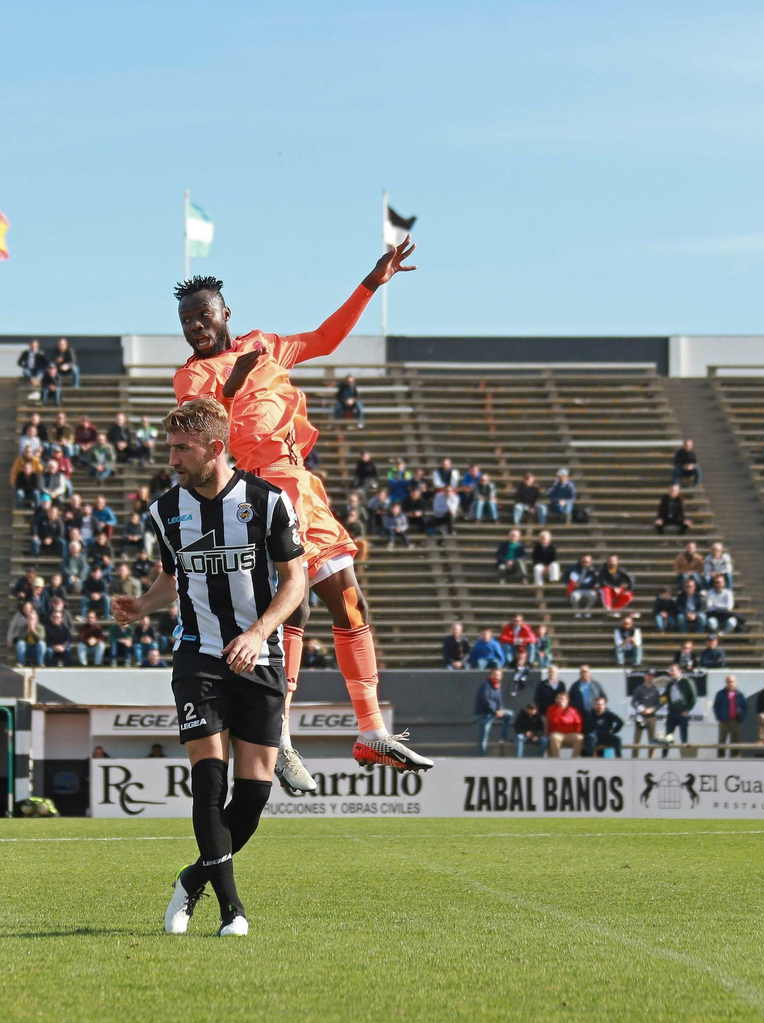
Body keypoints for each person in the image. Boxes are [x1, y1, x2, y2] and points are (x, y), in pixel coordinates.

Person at [168, 241, 430, 789]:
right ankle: (278, 735)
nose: (195, 326)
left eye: (203, 315)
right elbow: (208, 426)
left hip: (302, 485)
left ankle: (371, 730)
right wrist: (235, 382)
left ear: (225, 313)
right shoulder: (190, 378)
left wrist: (371, 282)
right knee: (295, 607)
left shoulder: (265, 345)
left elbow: (325, 339)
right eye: (186, 320)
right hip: (260, 491)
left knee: (349, 598)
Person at [111, 401, 309, 938]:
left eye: (181, 449)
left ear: (215, 448)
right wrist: (142, 606)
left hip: (259, 655)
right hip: (198, 655)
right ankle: (232, 911)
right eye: (170, 447)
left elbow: (295, 583)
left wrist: (258, 632)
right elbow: (172, 579)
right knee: (208, 782)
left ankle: (193, 878)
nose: (171, 458)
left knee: (253, 796)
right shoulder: (165, 511)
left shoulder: (268, 504)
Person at [472, 668, 509, 756]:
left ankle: (503, 737)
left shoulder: (498, 686)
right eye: (495, 675)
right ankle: (482, 756)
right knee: (484, 736)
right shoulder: (486, 686)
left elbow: (500, 701)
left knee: (509, 715)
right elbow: (485, 700)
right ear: (492, 675)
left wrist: (500, 709)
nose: (497, 677)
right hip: (484, 714)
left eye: (499, 675)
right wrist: (494, 711)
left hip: (493, 713)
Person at [712, 675, 747, 758]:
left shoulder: (740, 695)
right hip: (724, 721)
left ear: (735, 683)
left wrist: (741, 717)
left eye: (732, 682)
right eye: (728, 682)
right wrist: (719, 717)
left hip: (735, 721)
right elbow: (716, 706)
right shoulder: (720, 694)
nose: (730, 684)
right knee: (721, 742)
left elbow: (745, 707)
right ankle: (720, 759)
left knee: (736, 742)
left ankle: (735, 759)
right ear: (726, 683)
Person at [545, 689, 583, 758]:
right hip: (557, 734)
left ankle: (574, 759)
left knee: (580, 738)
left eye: (562, 699)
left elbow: (578, 723)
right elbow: (553, 720)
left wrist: (576, 732)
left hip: (570, 734)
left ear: (567, 700)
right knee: (554, 737)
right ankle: (555, 759)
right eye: (558, 698)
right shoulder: (551, 709)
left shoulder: (573, 710)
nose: (559, 700)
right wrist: (560, 709)